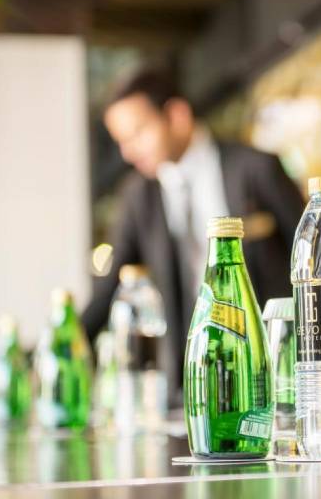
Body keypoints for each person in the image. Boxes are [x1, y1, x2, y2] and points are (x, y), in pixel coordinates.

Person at [82, 68, 304, 402]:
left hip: (272, 376)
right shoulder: (137, 197)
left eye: (138, 133)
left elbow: (308, 263)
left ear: (177, 115)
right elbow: (108, 289)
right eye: (122, 141)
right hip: (191, 386)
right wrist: (67, 345)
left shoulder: (257, 168)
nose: (128, 152)